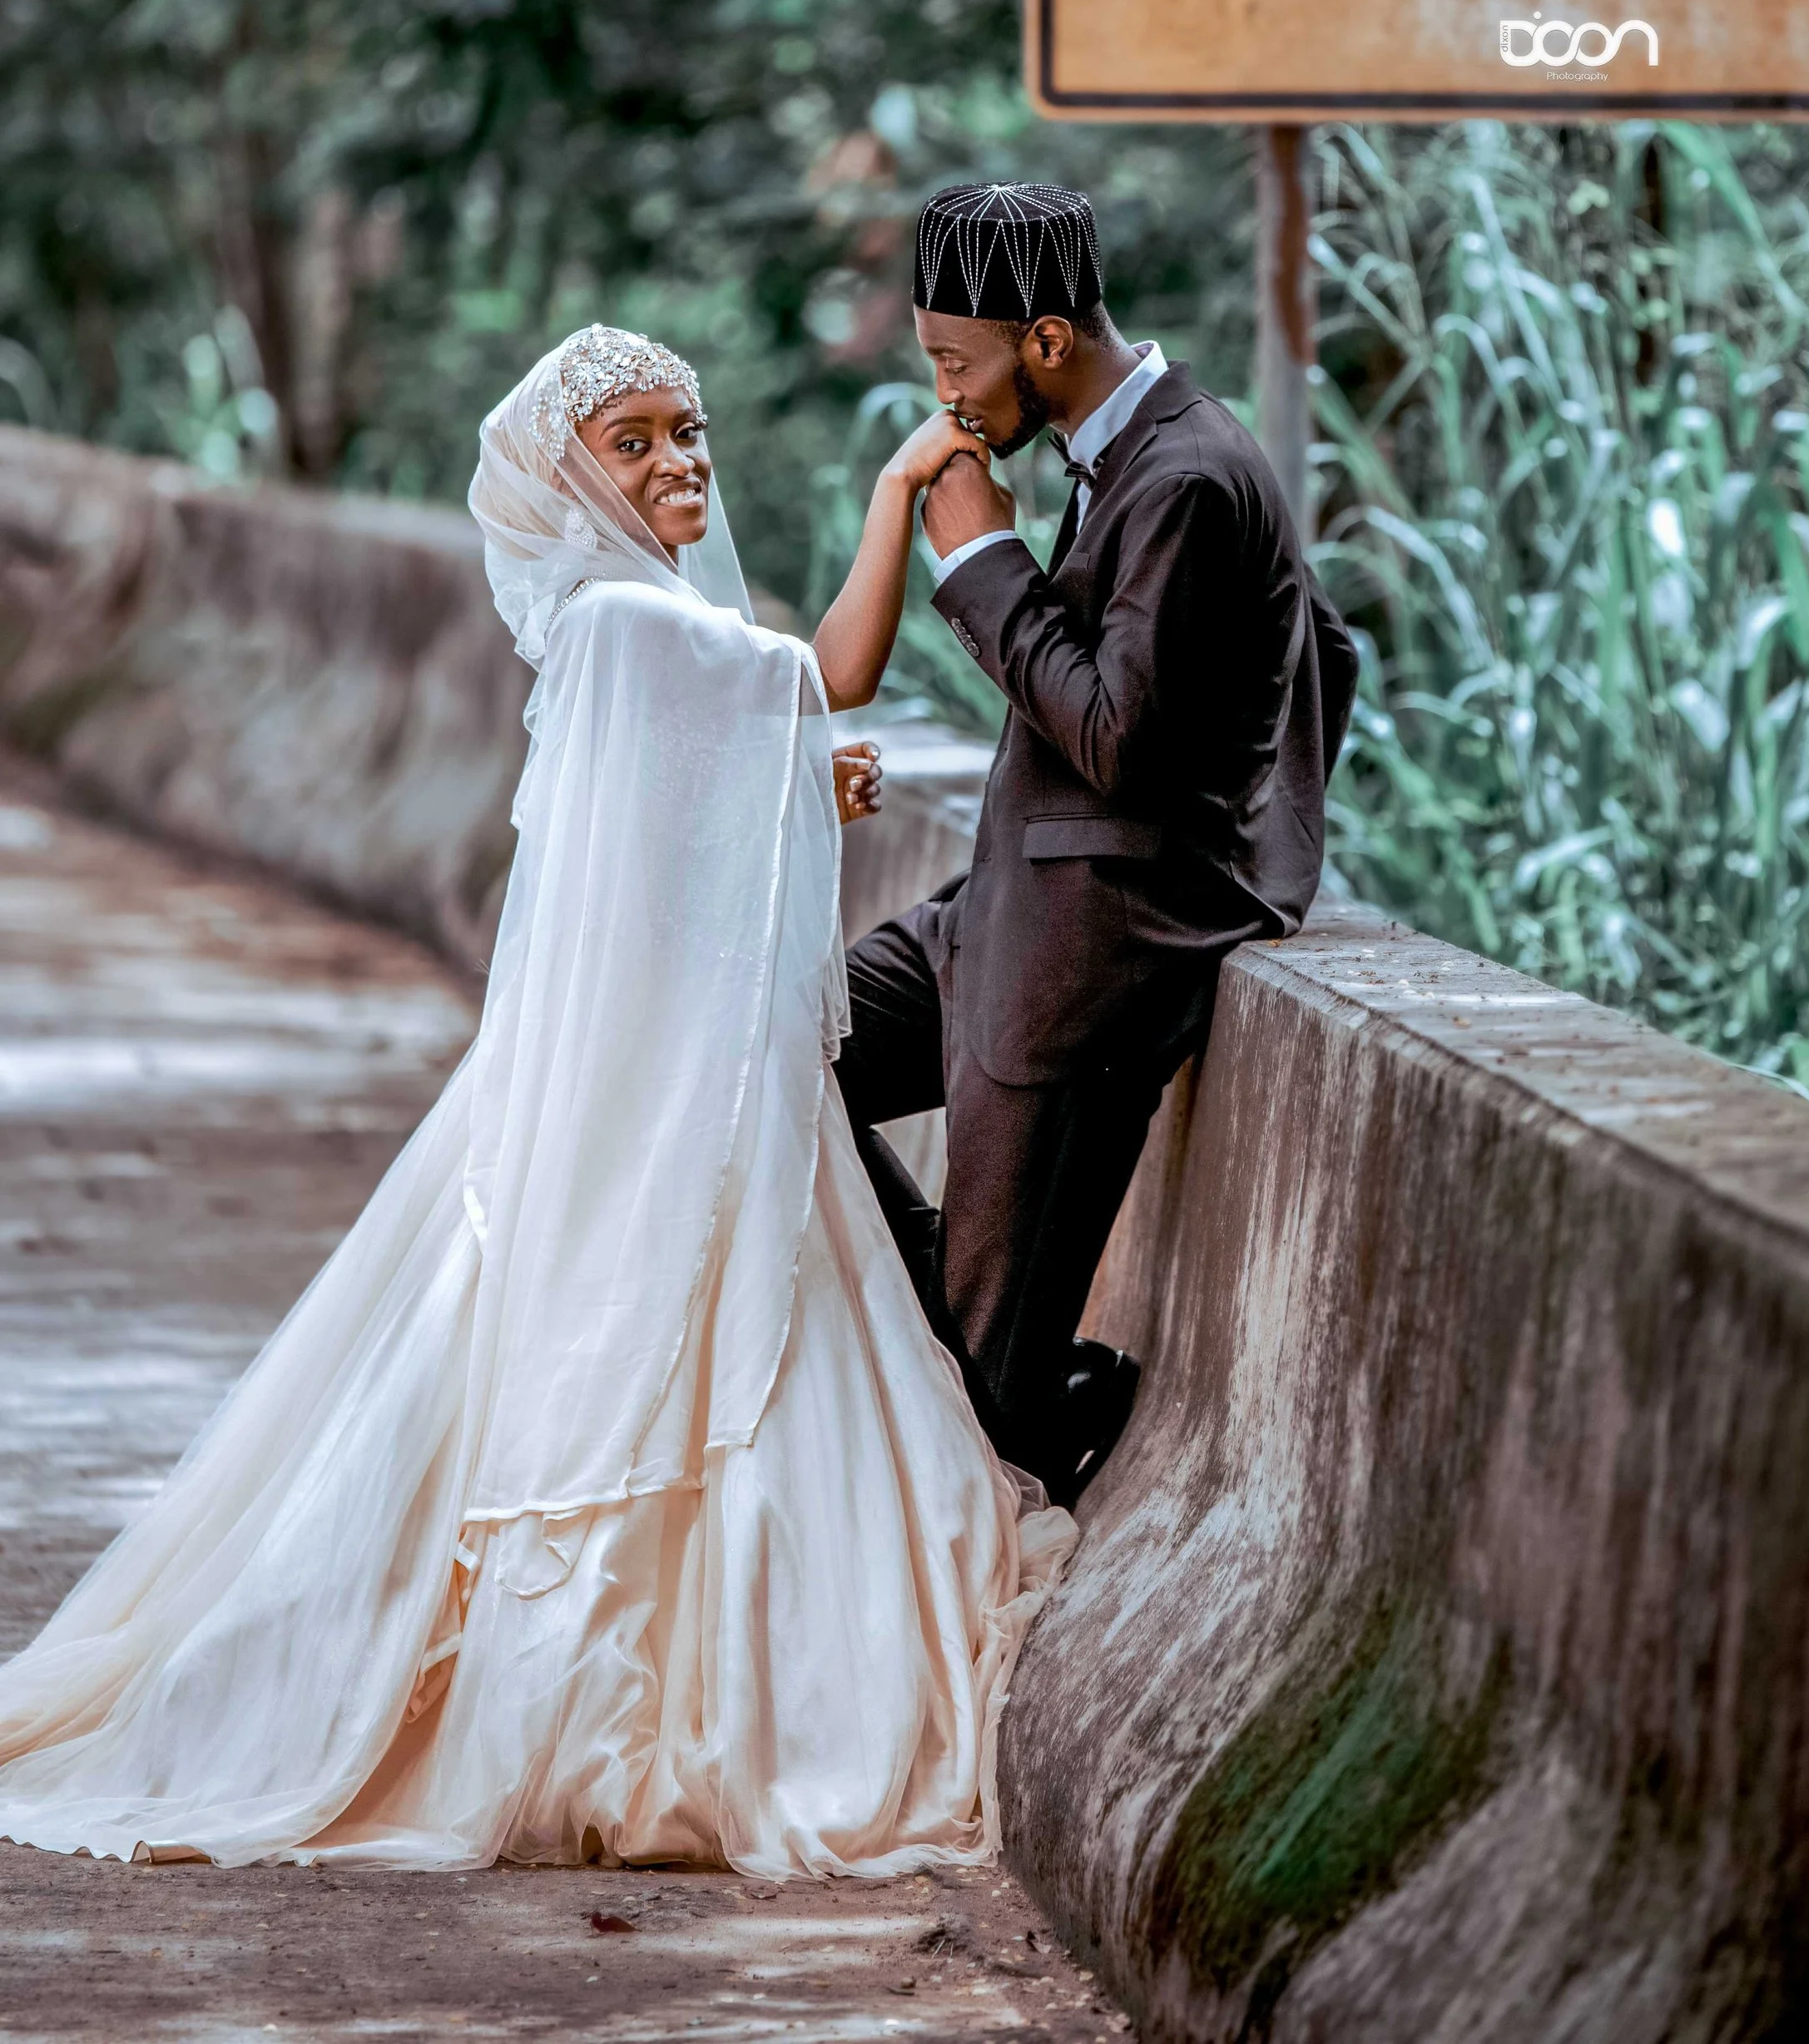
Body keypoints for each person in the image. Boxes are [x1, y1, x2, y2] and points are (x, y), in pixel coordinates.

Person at [0, 324, 1072, 1873]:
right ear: (567, 483)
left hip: (650, 1071)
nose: (677, 460)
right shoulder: (637, 626)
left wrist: (790, 778)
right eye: (629, 442)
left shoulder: (610, 624)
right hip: (678, 1093)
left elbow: (666, 832)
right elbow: (837, 672)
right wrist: (906, 485)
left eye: (684, 428)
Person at [836, 183, 1360, 1505]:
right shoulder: (1124, 447)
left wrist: (979, 563)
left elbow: (1122, 736)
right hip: (995, 910)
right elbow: (1320, 649)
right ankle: (973, 1355)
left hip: (1086, 963)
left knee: (986, 1388)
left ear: (1050, 341)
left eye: (958, 361)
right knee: (765, 1046)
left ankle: (1049, 1391)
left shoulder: (1187, 471)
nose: (946, 395)